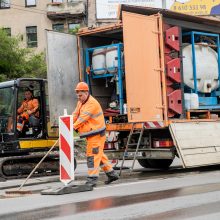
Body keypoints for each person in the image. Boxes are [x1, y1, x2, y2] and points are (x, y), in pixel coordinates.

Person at [73, 82, 119, 187]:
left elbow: (82, 118)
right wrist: (67, 122)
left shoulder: (91, 103)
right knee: (99, 155)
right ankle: (112, 174)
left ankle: (92, 179)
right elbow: (76, 114)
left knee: (92, 156)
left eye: (80, 95)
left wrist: (73, 126)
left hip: (96, 135)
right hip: (91, 134)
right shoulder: (81, 102)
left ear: (86, 92)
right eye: (78, 95)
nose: (79, 98)